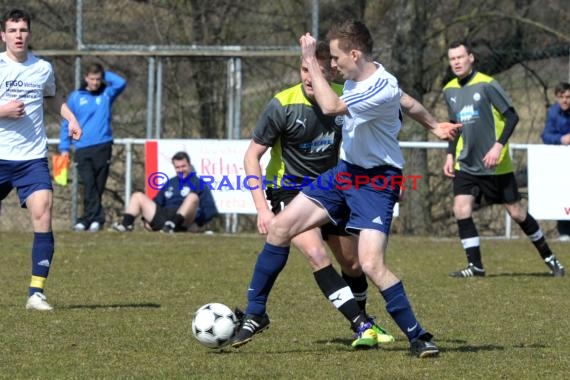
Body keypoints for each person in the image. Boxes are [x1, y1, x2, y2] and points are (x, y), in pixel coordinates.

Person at [232, 20, 460, 358]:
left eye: (336, 58)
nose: (333, 65)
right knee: (280, 229)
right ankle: (256, 312)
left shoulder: (377, 86)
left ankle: (418, 336)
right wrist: (434, 125)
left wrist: (310, 58)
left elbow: (332, 108)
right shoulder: (361, 79)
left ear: (355, 54)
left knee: (369, 265)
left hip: (376, 181)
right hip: (344, 174)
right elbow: (408, 101)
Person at [442, 40, 565, 278]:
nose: (456, 62)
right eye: (452, 58)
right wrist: (449, 154)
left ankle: (550, 258)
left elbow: (512, 117)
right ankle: (475, 266)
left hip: (494, 165)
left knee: (517, 213)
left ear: (471, 58)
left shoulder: (488, 84)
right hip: (465, 163)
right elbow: (454, 128)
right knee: (461, 208)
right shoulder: (449, 90)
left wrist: (498, 147)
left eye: (460, 57)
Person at [0, 9, 82, 310]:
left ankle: (36, 293)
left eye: (23, 30)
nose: (18, 35)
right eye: (12, 30)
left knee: (43, 211)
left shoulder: (42, 68)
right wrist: (2, 111)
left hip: (31, 159)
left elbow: (53, 98)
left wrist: (71, 118)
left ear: (29, 34)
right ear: (3, 35)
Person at [59, 63, 127, 232]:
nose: (95, 82)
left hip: (103, 146)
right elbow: (66, 122)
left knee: (98, 185)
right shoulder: (76, 97)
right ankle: (94, 218)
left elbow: (121, 83)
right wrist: (64, 147)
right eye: (92, 78)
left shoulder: (106, 94)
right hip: (82, 147)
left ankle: (88, 220)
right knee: (88, 184)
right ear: (86, 78)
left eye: (98, 79)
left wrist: (106, 74)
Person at [111, 151, 218, 233]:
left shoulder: (199, 183)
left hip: (184, 220)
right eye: (177, 167)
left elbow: (210, 209)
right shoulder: (170, 182)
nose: (181, 170)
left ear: (189, 165)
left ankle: (173, 225)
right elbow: (157, 202)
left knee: (192, 197)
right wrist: (146, 220)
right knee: (137, 196)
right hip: (165, 216)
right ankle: (126, 225)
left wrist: (198, 223)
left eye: (183, 166)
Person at [540, 82, 570, 241]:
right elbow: (546, 136)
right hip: (561, 160)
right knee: (563, 195)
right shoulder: (553, 113)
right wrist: (561, 139)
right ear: (557, 97)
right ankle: (565, 232)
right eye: (561, 97)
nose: (565, 100)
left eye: (568, 97)